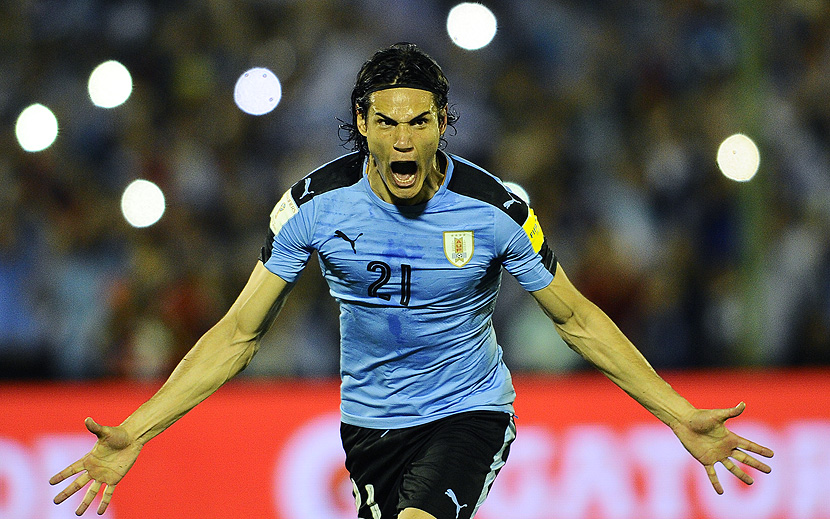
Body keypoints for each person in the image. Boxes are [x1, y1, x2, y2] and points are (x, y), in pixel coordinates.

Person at [50, 43, 773, 519]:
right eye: (387, 121)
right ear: (361, 123)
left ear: (443, 124)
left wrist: (678, 412)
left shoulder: (498, 212)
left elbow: (577, 317)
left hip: (468, 410)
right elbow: (238, 334)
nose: (404, 139)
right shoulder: (310, 208)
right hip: (368, 426)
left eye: (420, 122)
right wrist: (138, 428)